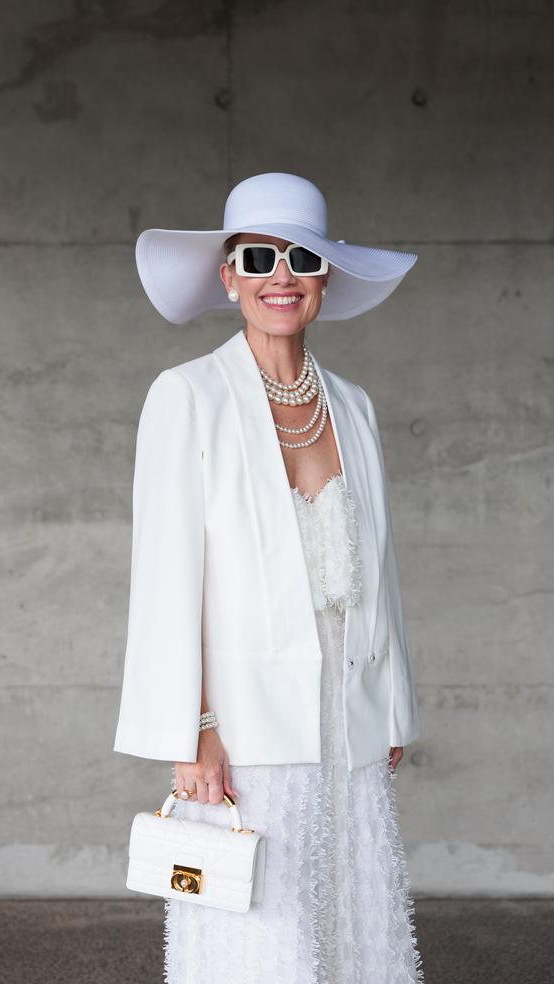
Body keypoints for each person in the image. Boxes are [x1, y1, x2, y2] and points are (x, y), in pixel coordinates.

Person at [114, 172, 425, 983]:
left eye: (301, 258)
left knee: (346, 920)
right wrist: (194, 729)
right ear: (229, 277)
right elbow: (166, 582)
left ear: (325, 276)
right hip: (244, 723)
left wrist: (392, 702)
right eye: (259, 257)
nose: (280, 275)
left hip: (345, 712)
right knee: (265, 931)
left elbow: (378, 570)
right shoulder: (187, 397)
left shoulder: (352, 407)